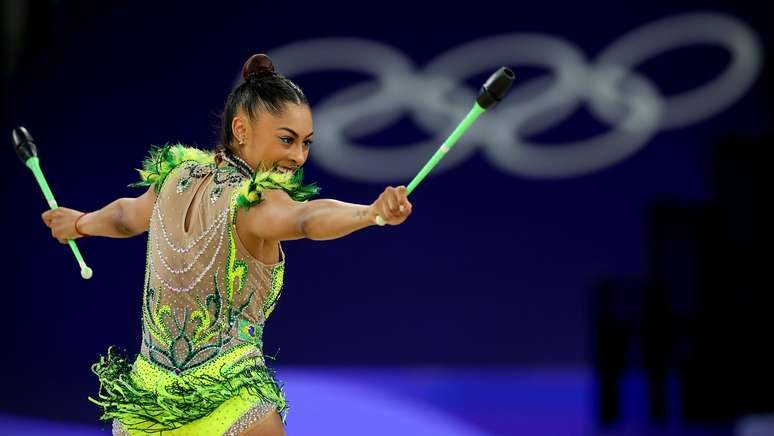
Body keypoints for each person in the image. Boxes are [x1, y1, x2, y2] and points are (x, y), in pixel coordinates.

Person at [41, 53, 412, 436]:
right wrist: (370, 213)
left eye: (306, 143)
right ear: (241, 129)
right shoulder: (253, 199)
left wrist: (80, 223)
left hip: (148, 404)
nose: (298, 156)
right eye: (286, 140)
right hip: (230, 403)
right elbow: (305, 219)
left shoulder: (176, 175)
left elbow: (126, 217)